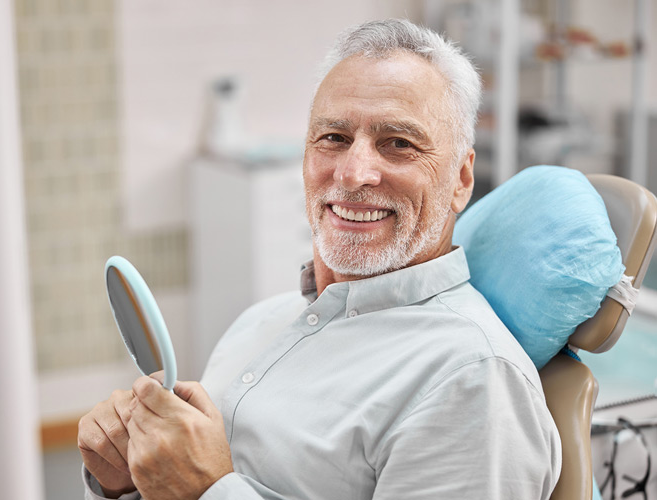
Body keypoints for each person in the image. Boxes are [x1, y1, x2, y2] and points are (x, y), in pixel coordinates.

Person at [78, 19, 562, 499]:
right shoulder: (259, 322)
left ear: (460, 179)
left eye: (398, 144)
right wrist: (126, 481)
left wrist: (208, 491)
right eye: (333, 138)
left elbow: (198, 487)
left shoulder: (472, 380)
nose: (353, 174)